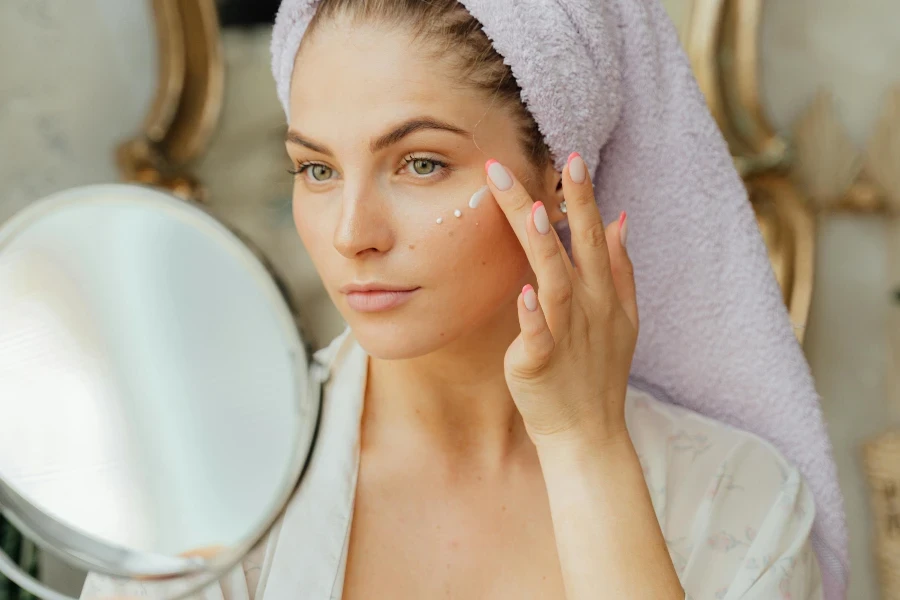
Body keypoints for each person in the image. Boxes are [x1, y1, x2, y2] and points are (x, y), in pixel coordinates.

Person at [82, 0, 844, 598]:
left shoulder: (735, 500)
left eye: (419, 163)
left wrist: (586, 447)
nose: (353, 234)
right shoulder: (204, 488)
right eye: (316, 170)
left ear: (559, 172)